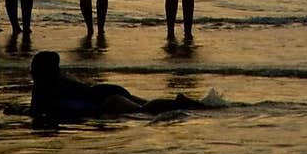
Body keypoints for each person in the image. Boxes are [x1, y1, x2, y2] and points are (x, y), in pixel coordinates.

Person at [29, 50, 207, 121]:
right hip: (108, 93)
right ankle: (185, 104)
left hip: (107, 100)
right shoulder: (62, 78)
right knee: (147, 107)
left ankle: (180, 103)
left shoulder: (44, 87)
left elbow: (35, 111)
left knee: (143, 112)